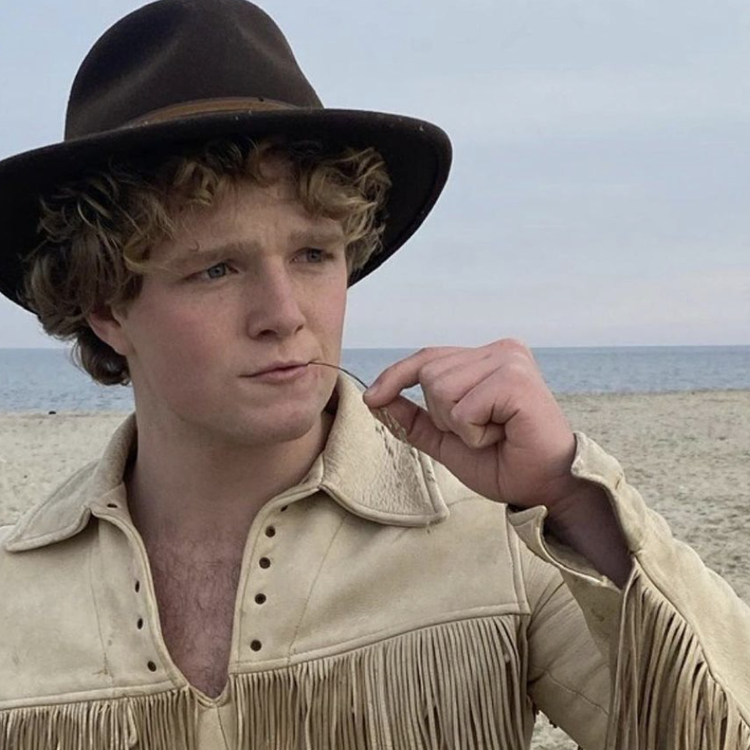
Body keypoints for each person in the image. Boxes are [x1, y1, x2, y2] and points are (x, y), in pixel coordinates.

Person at [0, 1, 748, 748]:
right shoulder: (16, 596)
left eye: (314, 255)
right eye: (217, 268)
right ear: (106, 309)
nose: (284, 313)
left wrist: (573, 496)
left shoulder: (503, 534)